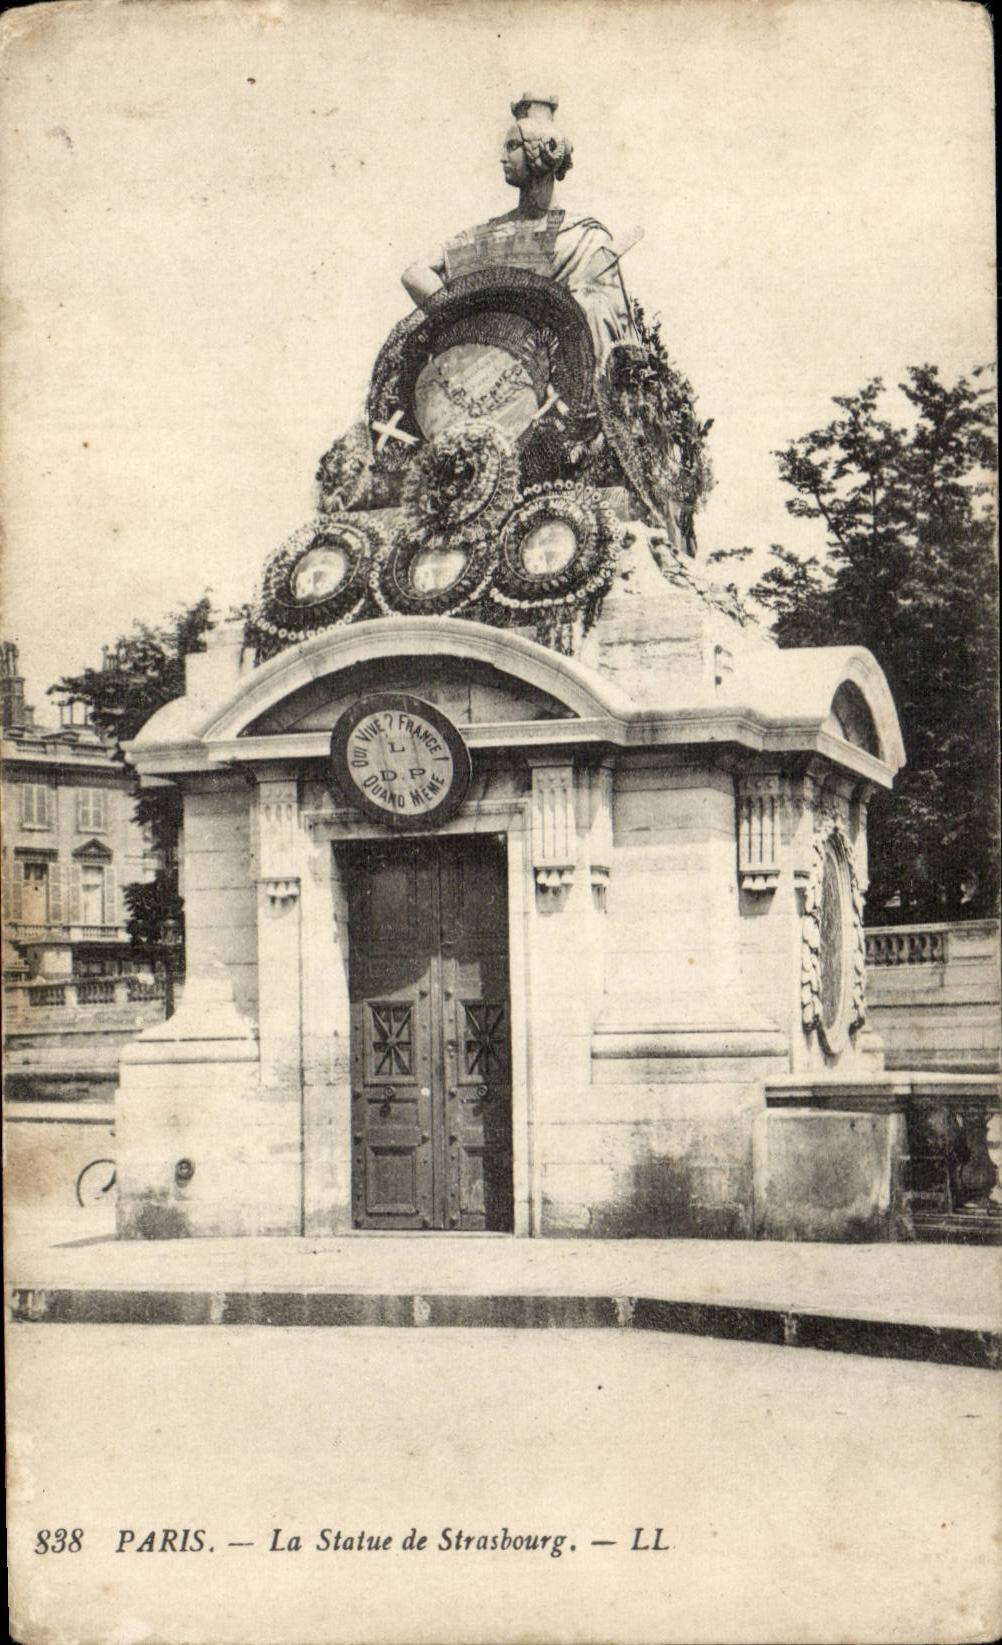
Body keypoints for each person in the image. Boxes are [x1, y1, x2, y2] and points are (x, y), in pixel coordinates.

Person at [401, 94, 632, 362]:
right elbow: (414, 273)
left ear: (544, 150)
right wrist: (470, 321)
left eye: (512, 146)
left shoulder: (584, 236)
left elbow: (611, 321)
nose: (502, 157)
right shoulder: (490, 233)